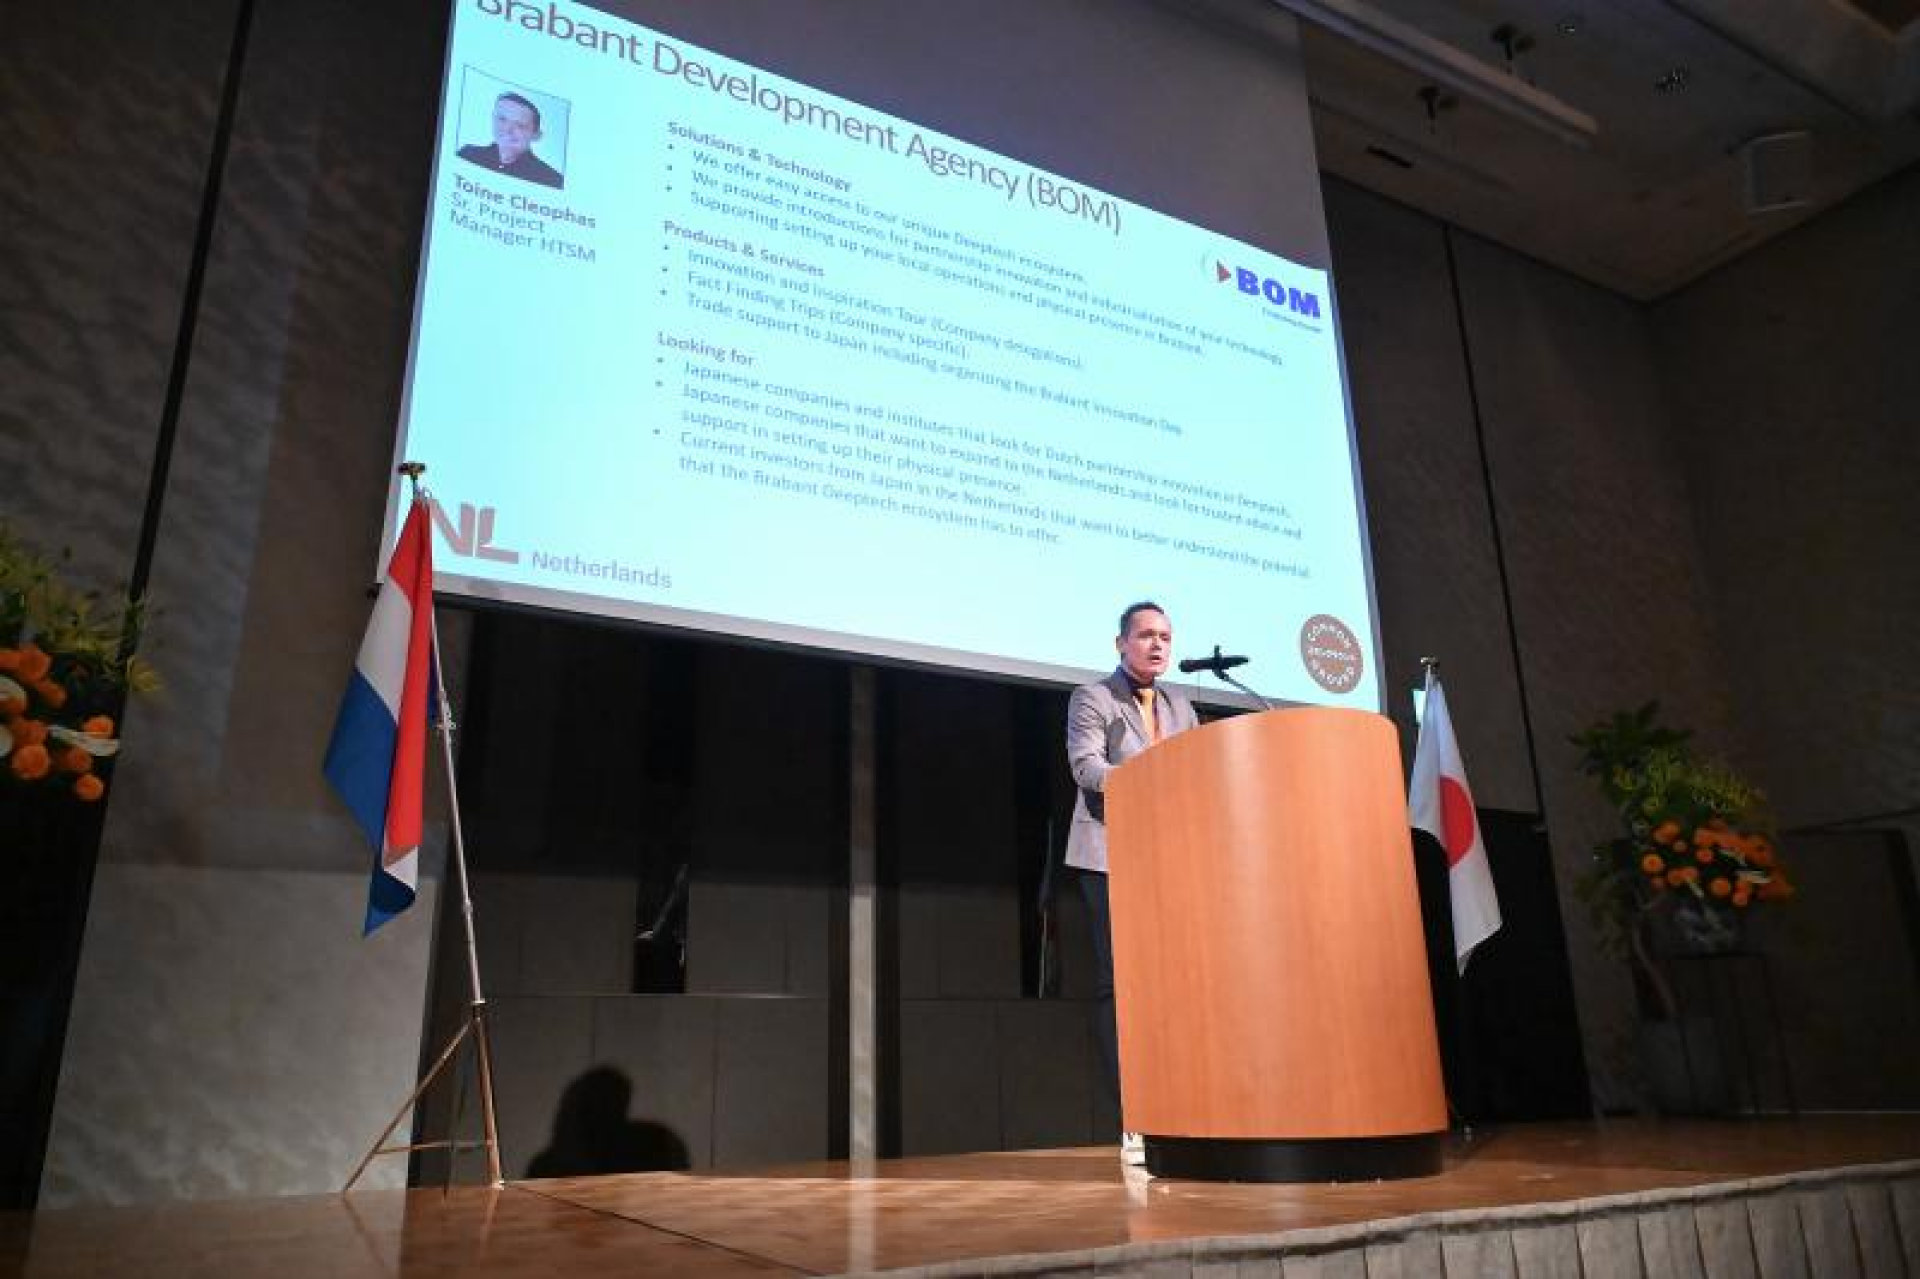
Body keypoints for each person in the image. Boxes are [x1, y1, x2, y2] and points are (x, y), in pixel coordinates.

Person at [1064, 601, 1197, 1164]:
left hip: (1172, 860)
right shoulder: (1094, 697)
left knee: (1178, 985)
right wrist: (1152, 777)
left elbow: (1199, 769)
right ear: (1121, 643)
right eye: (1145, 635)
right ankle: (1135, 1117)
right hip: (1110, 857)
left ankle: (1184, 1107)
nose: (1157, 644)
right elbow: (1086, 768)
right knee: (1119, 986)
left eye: (1164, 635)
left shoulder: (1181, 704)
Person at [457, 92, 564, 189]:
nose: (507, 130)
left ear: (536, 135)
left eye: (520, 125)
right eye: (502, 119)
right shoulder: (467, 155)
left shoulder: (552, 180)